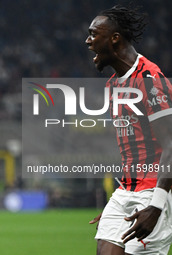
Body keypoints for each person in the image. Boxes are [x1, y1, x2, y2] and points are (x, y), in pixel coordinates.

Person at [85, 5, 172, 255]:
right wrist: (117, 200)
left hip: (154, 193)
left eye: (93, 34)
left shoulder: (149, 79)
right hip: (126, 191)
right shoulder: (114, 85)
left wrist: (156, 206)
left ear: (114, 38)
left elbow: (170, 145)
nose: (87, 41)